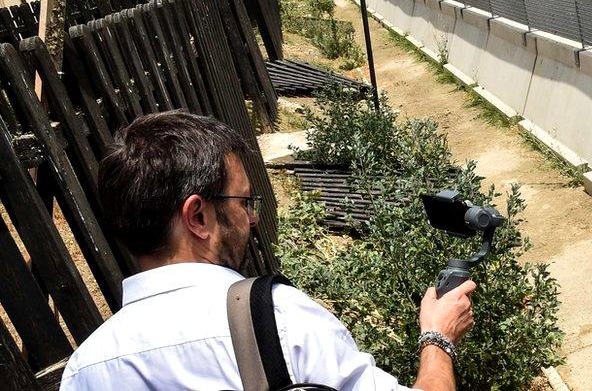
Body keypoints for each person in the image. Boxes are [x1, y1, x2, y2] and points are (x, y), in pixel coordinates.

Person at [60, 111, 476, 391]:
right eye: (243, 202)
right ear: (198, 217)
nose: (253, 219)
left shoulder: (85, 371)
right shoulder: (278, 320)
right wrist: (438, 338)